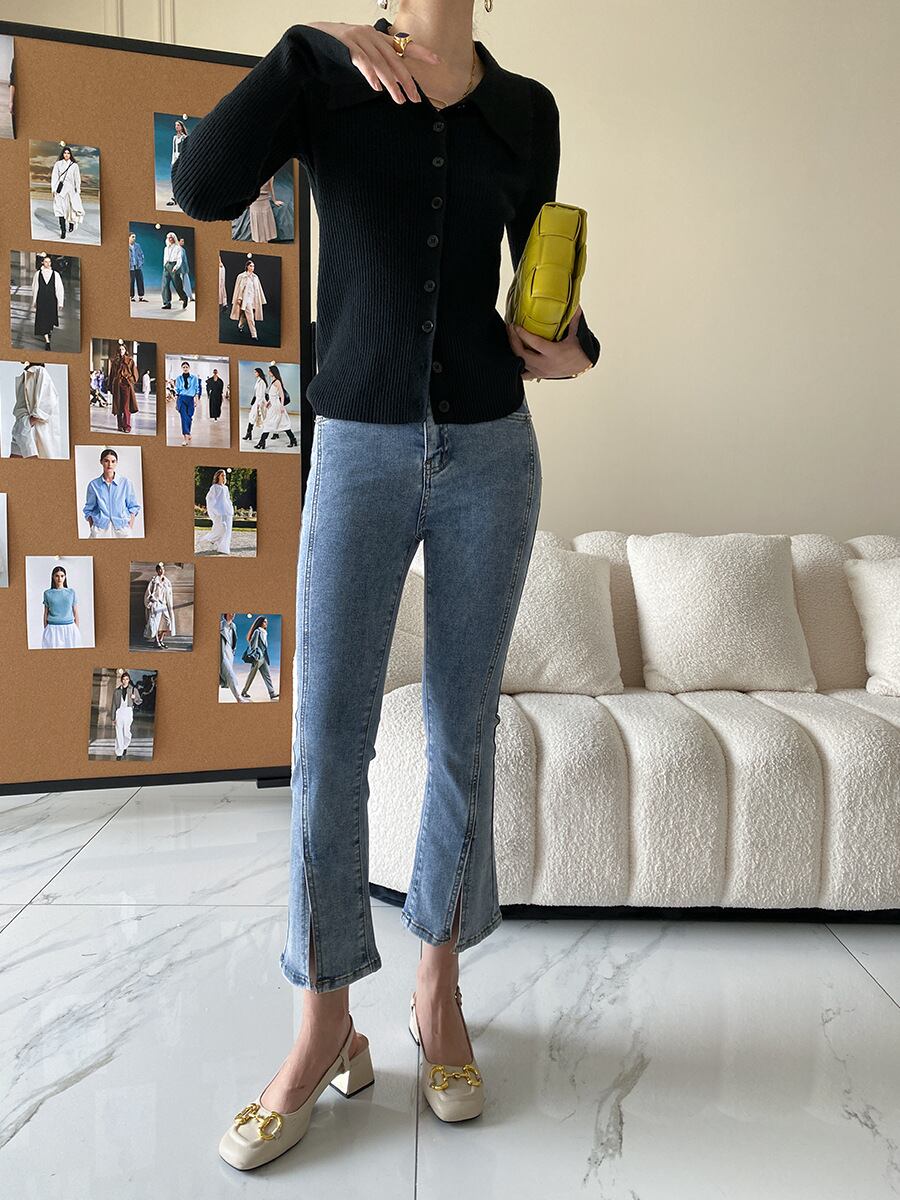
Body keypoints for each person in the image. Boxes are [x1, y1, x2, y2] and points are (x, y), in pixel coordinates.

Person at [173, 4, 602, 1167]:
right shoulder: (324, 78)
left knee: (463, 733)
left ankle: (437, 992)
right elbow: (201, 186)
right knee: (327, 738)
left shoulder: (525, 111)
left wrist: (577, 346)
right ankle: (323, 1023)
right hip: (356, 450)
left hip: (491, 456)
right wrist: (302, 45)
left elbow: (539, 286)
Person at [82, 446, 141, 537]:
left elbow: (133, 507)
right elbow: (89, 509)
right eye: (106, 461)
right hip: (100, 529)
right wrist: (93, 528)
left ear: (116, 462)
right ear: (101, 462)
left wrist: (129, 527)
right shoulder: (94, 485)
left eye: (113, 461)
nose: (110, 464)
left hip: (122, 529)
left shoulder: (126, 483)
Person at [9, 362, 62, 458]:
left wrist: (31, 421)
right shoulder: (28, 373)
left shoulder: (40, 371)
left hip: (30, 425)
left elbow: (49, 398)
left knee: (33, 459)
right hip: (21, 423)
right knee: (15, 460)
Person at [256, 363, 298, 449]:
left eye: (269, 371)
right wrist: (269, 402)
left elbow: (281, 395)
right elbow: (273, 395)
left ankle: (262, 442)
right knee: (282, 424)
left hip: (276, 406)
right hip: (273, 406)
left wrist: (282, 406)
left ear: (273, 372)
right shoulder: (273, 381)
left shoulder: (277, 382)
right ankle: (293, 440)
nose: (268, 372)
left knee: (271, 423)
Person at [41, 563, 82, 648]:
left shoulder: (71, 592)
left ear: (65, 577)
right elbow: (46, 613)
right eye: (57, 576)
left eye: (62, 576)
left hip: (70, 628)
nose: (59, 578)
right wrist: (46, 629)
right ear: (53, 577)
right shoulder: (47, 593)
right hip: (53, 628)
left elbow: (75, 611)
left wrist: (76, 629)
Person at [50, 145, 85, 240]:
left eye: (68, 153)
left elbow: (77, 179)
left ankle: (71, 224)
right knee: (60, 210)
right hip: (60, 190)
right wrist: (53, 189)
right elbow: (54, 177)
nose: (66, 155)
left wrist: (78, 190)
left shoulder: (74, 165)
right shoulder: (58, 164)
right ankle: (63, 231)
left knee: (71, 209)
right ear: (63, 154)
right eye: (65, 153)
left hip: (71, 191)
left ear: (70, 154)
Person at [240, 615, 279, 700]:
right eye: (264, 622)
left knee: (267, 675)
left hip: (264, 657)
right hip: (258, 658)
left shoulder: (264, 632)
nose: (266, 623)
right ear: (260, 623)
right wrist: (256, 655)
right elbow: (253, 644)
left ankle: (272, 693)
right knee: (252, 675)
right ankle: (244, 692)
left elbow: (264, 646)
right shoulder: (257, 631)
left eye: (266, 622)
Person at [31, 253, 64, 349]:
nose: (48, 263)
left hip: (51, 300)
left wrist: (60, 302)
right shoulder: (38, 274)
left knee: (50, 319)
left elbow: (59, 289)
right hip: (41, 300)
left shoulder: (55, 274)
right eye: (46, 261)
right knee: (43, 319)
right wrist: (34, 301)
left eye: (49, 262)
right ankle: (47, 342)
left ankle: (48, 331)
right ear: (42, 262)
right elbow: (35, 287)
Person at [229, 256, 266, 339]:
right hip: (246, 300)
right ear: (247, 266)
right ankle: (254, 334)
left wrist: (260, 299)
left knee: (245, 315)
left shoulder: (255, 277)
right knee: (251, 317)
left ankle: (240, 326)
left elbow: (258, 289)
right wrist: (239, 298)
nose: (252, 267)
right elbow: (240, 288)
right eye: (251, 266)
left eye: (253, 266)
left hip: (253, 299)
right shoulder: (242, 276)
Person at [199, 468, 234, 554]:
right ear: (218, 476)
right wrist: (215, 509)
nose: (224, 477)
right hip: (219, 512)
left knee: (227, 531)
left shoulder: (225, 488)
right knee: (221, 527)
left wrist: (230, 509)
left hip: (227, 512)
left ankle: (223, 548)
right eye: (222, 475)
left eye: (224, 475)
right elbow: (209, 499)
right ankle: (208, 539)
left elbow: (228, 499)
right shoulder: (214, 487)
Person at [108, 341, 139, 434]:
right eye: (120, 349)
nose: (121, 350)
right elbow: (111, 375)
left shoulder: (130, 361)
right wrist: (110, 386)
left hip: (126, 386)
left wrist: (129, 380)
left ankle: (127, 426)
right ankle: (120, 425)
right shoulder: (115, 361)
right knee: (118, 406)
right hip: (117, 385)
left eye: (123, 349)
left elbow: (135, 375)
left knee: (126, 406)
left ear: (125, 350)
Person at [143, 562, 176, 648]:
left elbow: (169, 594)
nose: (161, 571)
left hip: (164, 605)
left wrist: (169, 605)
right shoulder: (154, 581)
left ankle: (161, 639)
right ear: (157, 571)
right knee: (155, 623)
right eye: (159, 570)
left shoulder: (167, 582)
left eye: (162, 569)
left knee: (167, 622)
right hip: (156, 604)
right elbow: (148, 592)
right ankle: (157, 641)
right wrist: (150, 601)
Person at [220, 613, 250, 702]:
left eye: (234, 612)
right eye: (231, 612)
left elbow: (234, 640)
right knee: (230, 674)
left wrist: (233, 652)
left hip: (230, 654)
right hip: (221, 654)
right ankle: (239, 698)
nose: (233, 614)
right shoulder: (220, 625)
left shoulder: (233, 626)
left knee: (224, 675)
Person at [246, 175, 283, 242]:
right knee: (257, 230)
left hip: (264, 202)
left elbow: (271, 188)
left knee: (265, 226)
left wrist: (274, 201)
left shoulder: (270, 176)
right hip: (254, 202)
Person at [174, 360, 202, 445]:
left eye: (186, 367)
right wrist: (176, 403)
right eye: (184, 367)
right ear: (182, 368)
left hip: (190, 399)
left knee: (189, 417)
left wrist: (196, 400)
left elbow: (197, 389)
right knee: (184, 418)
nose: (185, 368)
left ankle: (188, 432)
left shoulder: (194, 378)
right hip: (181, 398)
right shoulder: (178, 378)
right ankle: (185, 437)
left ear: (189, 368)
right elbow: (177, 391)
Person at [161, 231, 188, 310]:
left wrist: (176, 267)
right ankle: (167, 303)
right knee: (165, 285)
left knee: (177, 285)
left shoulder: (178, 248)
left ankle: (184, 297)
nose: (170, 239)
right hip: (167, 266)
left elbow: (179, 259)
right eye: (169, 238)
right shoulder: (166, 248)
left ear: (174, 239)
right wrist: (165, 265)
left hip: (174, 265)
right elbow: (165, 257)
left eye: (172, 238)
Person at [167, 119, 188, 205]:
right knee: (174, 178)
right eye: (175, 125)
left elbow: (186, 150)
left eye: (178, 125)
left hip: (182, 159)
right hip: (175, 160)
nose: (176, 126)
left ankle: (182, 198)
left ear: (182, 127)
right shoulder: (175, 138)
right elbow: (174, 150)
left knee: (182, 178)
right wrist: (172, 162)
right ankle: (175, 198)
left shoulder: (185, 138)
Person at [244, 366, 268, 441]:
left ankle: (272, 434)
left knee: (263, 419)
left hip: (260, 402)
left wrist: (258, 404)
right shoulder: (258, 380)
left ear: (259, 373)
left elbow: (261, 394)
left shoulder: (262, 382)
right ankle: (248, 433)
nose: (254, 373)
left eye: (255, 372)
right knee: (252, 417)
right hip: (257, 401)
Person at [129, 233, 147, 302]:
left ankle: (141, 296)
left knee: (140, 280)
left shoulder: (137, 245)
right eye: (133, 237)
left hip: (137, 266)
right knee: (131, 281)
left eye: (135, 237)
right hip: (130, 266)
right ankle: (131, 296)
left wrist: (141, 262)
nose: (134, 238)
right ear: (128, 238)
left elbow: (141, 254)